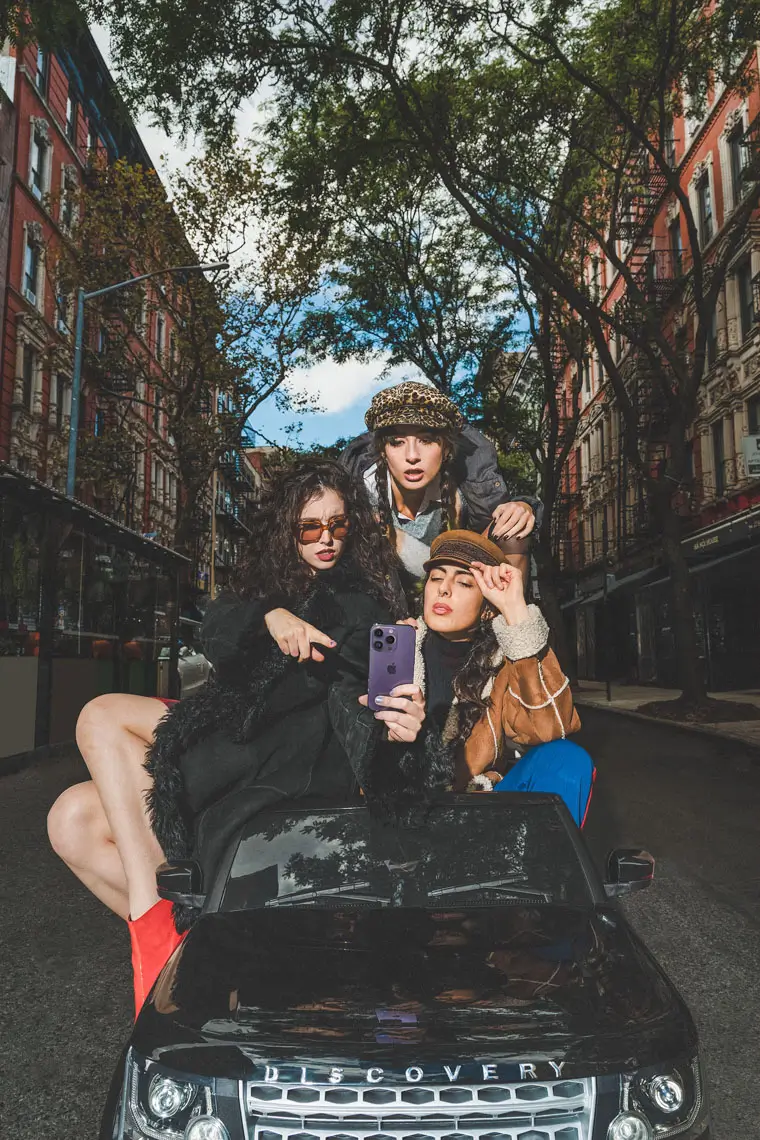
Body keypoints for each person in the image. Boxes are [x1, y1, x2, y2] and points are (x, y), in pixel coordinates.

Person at [47, 461, 421, 1013]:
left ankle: (157, 920)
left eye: (337, 525)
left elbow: (370, 679)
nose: (325, 539)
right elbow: (218, 630)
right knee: (70, 818)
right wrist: (271, 616)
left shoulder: (366, 598)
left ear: (353, 526)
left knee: (100, 717)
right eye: (308, 527)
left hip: (287, 757)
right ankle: (192, 941)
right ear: (286, 531)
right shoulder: (269, 591)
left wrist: (396, 710)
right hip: (243, 736)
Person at [349, 528, 595, 825]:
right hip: (402, 809)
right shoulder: (395, 651)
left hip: (475, 812)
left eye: (464, 583)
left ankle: (548, 869)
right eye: (436, 578)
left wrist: (516, 613)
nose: (443, 589)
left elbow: (549, 729)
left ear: (487, 610)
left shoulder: (505, 663)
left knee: (566, 758)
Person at [340, 380, 542, 595]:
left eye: (426, 441)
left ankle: (509, 619)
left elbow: (497, 532)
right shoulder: (360, 493)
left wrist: (523, 506)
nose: (412, 456)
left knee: (513, 529)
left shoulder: (465, 491)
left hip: (454, 597)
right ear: (382, 451)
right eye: (397, 442)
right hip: (378, 605)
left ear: (446, 450)